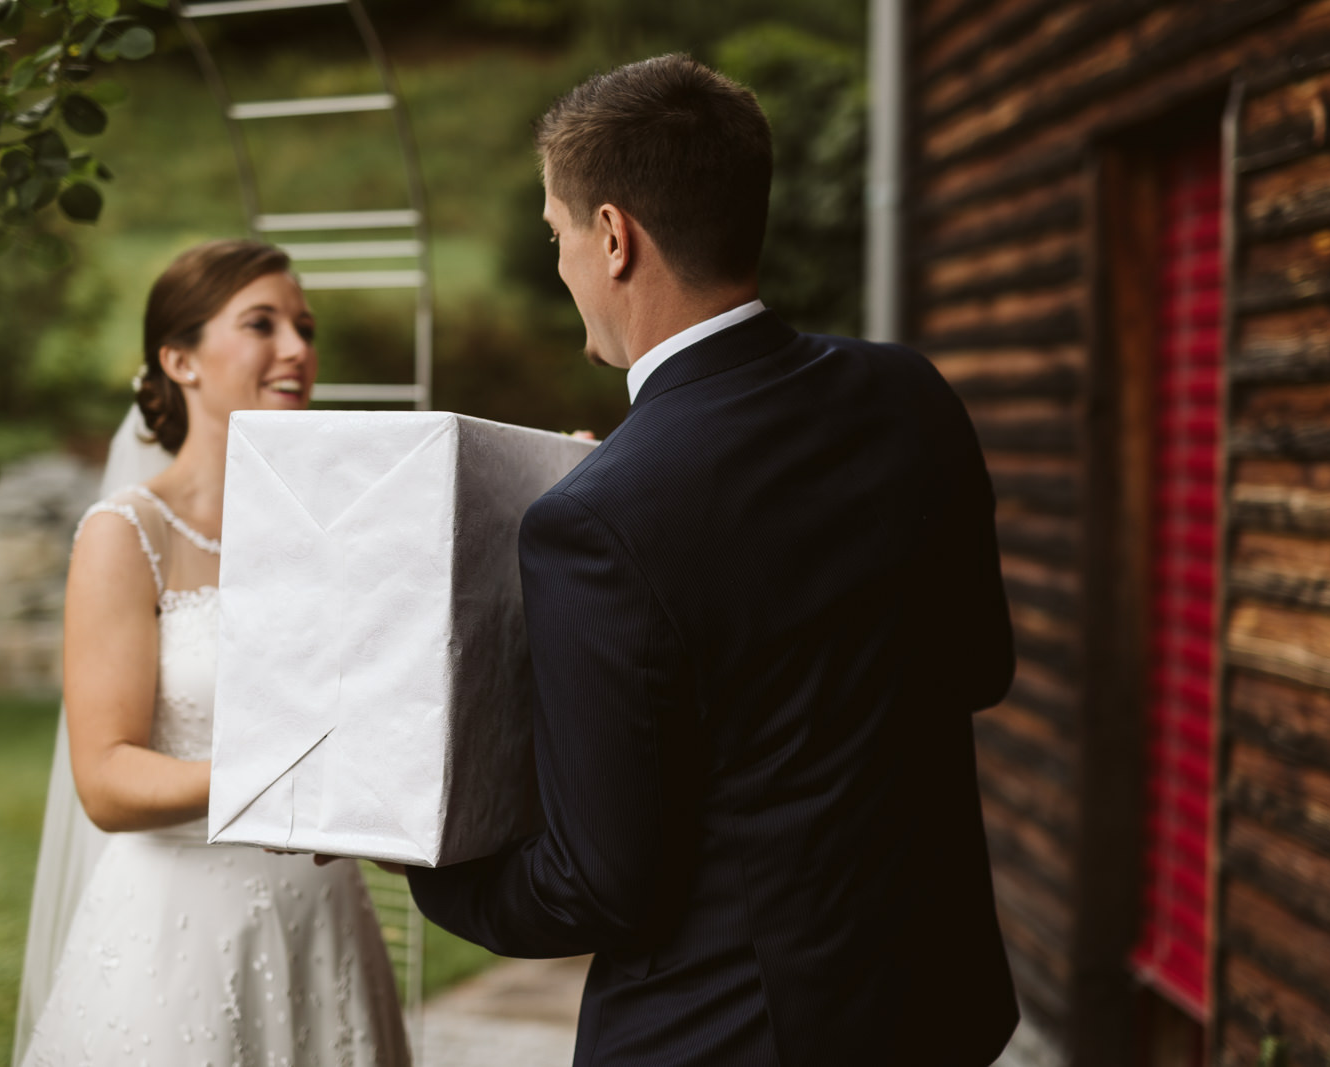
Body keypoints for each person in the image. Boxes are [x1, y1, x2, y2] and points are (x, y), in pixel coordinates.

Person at [404, 54, 1019, 1067]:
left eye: (556, 233)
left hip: (729, 1033)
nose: (559, 264)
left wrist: (417, 857)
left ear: (613, 238)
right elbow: (976, 667)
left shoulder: (598, 519)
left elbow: (591, 884)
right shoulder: (910, 394)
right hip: (933, 1004)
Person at [14, 240, 407, 1067]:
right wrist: (279, 776)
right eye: (262, 324)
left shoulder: (331, 525)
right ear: (179, 359)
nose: (298, 349)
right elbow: (107, 779)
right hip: (178, 936)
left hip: (325, 916)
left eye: (304, 326)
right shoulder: (126, 535)